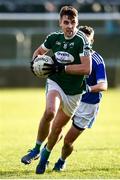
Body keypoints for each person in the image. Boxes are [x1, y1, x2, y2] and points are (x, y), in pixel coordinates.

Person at [21, 6, 92, 174]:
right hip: (55, 82)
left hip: (74, 92)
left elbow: (86, 68)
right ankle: (36, 149)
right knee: (50, 112)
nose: (69, 26)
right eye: (66, 22)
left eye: (73, 22)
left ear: (77, 23)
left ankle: (45, 155)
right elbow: (39, 52)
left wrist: (62, 68)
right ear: (60, 23)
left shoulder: (82, 40)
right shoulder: (53, 38)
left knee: (57, 130)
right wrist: (34, 64)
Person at [52, 25, 108, 171]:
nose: (84, 43)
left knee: (68, 141)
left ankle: (62, 160)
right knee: (55, 129)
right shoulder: (70, 55)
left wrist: (87, 88)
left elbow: (103, 85)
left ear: (92, 41)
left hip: (88, 104)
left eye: (87, 41)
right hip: (70, 97)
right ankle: (45, 154)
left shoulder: (97, 60)